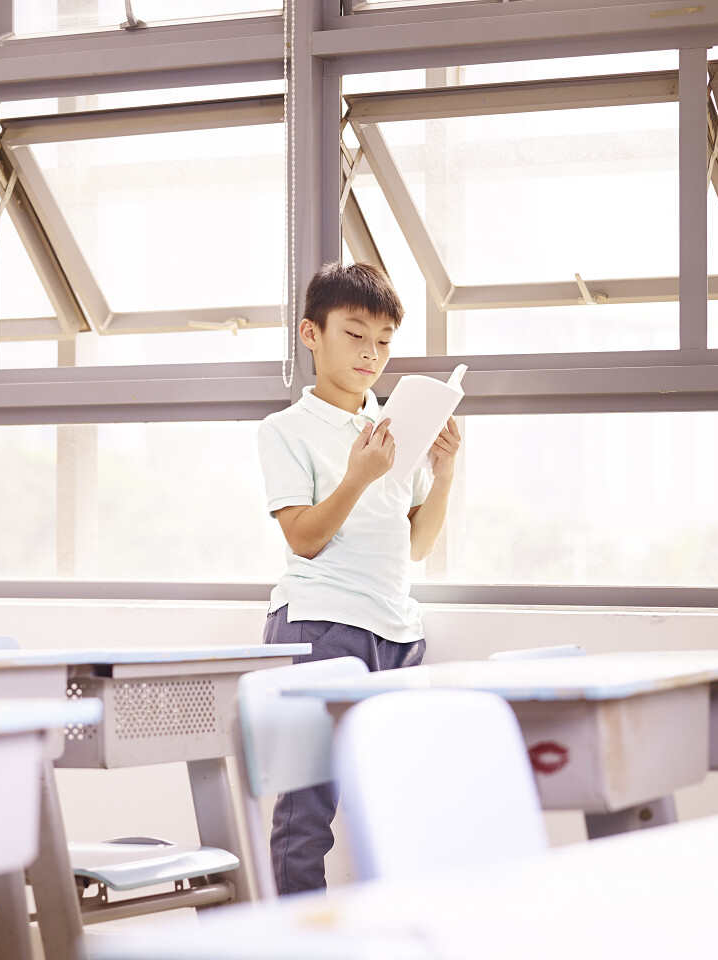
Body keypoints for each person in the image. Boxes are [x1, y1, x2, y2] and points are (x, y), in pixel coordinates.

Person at [257, 261, 461, 895]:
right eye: (355, 335)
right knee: (306, 814)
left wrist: (446, 471)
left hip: (396, 632)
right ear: (311, 335)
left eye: (384, 341)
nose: (371, 354)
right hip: (320, 629)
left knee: (397, 808)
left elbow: (418, 544)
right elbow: (305, 539)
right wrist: (357, 476)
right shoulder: (285, 431)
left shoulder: (394, 428)